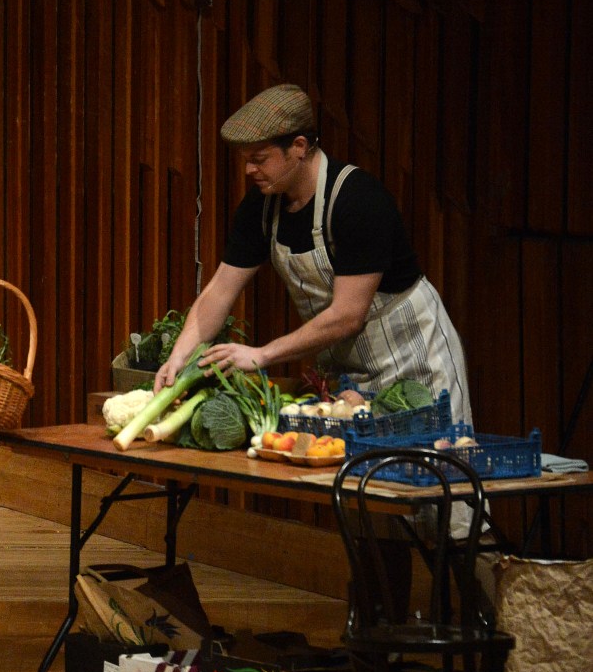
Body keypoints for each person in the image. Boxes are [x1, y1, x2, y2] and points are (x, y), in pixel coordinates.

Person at [155, 83, 472, 424]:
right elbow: (219, 291)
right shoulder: (261, 208)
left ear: (299, 147)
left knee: (429, 463)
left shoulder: (358, 199)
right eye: (246, 161)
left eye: (259, 160)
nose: (249, 171)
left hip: (412, 357)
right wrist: (179, 357)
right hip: (347, 370)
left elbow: (348, 315)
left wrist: (262, 354)